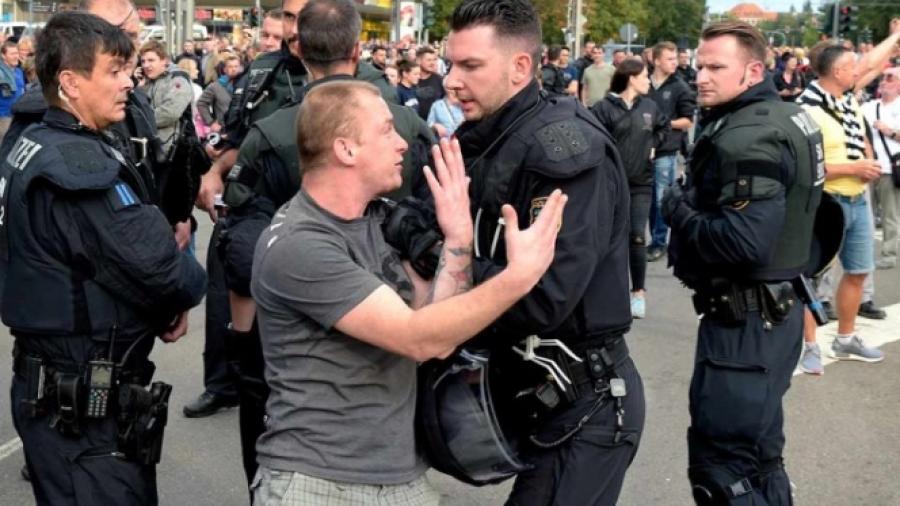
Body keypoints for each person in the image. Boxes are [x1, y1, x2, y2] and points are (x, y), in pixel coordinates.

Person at [251, 78, 566, 505]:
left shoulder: (377, 221)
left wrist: (457, 238)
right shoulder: (299, 244)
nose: (402, 142)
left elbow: (439, 328)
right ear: (346, 150)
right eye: (385, 130)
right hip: (318, 483)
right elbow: (417, 337)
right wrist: (518, 278)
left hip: (401, 478)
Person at [429, 1, 646, 503]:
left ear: (520, 67)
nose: (450, 81)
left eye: (470, 66)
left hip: (584, 402)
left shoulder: (565, 151)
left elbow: (545, 298)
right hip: (529, 393)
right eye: (450, 63)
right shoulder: (488, 134)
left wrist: (451, 257)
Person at [217, 0, 435, 486]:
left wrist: (245, 345)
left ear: (298, 49)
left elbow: (241, 244)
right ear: (357, 50)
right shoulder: (408, 126)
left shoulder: (271, 132)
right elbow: (429, 224)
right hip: (395, 320)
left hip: (295, 336)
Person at [3, 11, 207, 505]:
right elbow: (166, 271)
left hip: (60, 391)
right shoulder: (77, 165)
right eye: (113, 71)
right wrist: (178, 287)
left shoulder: (31, 143)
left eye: (128, 69)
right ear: (71, 83)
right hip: (86, 410)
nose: (128, 82)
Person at [663, 21, 825, 505]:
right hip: (774, 312)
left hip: (746, 324)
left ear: (753, 70)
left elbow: (742, 242)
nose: (701, 76)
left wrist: (677, 208)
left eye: (716, 67)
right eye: (700, 65)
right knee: (760, 458)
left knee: (723, 471)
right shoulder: (790, 116)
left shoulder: (748, 134)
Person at [185, 0, 310, 419]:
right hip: (251, 202)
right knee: (227, 280)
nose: (293, 31)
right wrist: (214, 173)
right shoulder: (260, 71)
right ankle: (223, 382)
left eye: (301, 18)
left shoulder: (350, 75)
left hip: (310, 211)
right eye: (287, 19)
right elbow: (236, 135)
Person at [797, 27, 900, 366]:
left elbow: (871, 62)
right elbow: (805, 168)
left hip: (858, 199)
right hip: (827, 203)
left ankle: (845, 338)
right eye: (852, 66)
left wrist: (894, 38)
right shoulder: (806, 108)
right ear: (838, 72)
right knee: (811, 278)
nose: (859, 70)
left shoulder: (845, 95)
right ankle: (809, 347)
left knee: (858, 271)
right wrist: (855, 168)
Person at [592, 58, 669, 319]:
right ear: (631, 78)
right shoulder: (604, 108)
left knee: (637, 236)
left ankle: (638, 293)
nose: (648, 80)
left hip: (640, 184)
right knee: (608, 238)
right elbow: (593, 139)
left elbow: (663, 128)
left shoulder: (650, 106)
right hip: (610, 185)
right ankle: (607, 292)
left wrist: (654, 145)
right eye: (645, 76)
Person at [646, 41, 696, 262]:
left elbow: (688, 121)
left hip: (666, 151)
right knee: (645, 199)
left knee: (660, 200)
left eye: (676, 58)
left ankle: (659, 242)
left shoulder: (680, 86)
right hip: (641, 150)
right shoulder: (643, 82)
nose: (674, 63)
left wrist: (664, 123)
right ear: (656, 60)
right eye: (670, 59)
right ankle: (643, 239)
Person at [862, 67, 900, 270]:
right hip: (869, 167)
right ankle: (864, 254)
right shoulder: (869, 106)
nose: (884, 81)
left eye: (890, 78)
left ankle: (889, 254)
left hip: (891, 169)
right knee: (865, 216)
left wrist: (889, 131)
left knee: (890, 215)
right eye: (883, 77)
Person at [138, 41, 194, 153]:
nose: (146, 65)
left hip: (172, 149)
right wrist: (137, 88)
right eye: (143, 61)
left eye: (151, 60)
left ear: (164, 61)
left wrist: (139, 121)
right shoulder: (147, 81)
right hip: (151, 147)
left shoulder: (177, 79)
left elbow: (170, 113)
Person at [197, 52, 241, 135]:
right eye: (230, 66)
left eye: (236, 66)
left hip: (240, 130)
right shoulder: (215, 86)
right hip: (223, 129)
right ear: (224, 69)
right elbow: (201, 103)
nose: (234, 69)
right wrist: (211, 122)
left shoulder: (245, 85)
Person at [0, 40, 24, 138]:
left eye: (17, 53)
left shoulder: (19, 71)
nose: (16, 56)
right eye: (12, 54)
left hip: (18, 115)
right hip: (4, 117)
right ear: (3, 55)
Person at [415, 46, 445, 120]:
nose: (432, 63)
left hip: (435, 124)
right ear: (419, 61)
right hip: (414, 124)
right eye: (429, 60)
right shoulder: (411, 79)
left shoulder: (440, 80)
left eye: (434, 60)